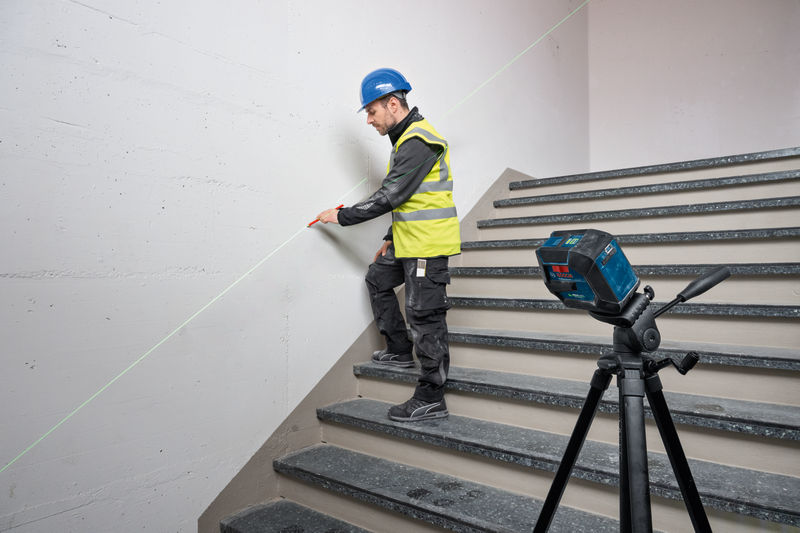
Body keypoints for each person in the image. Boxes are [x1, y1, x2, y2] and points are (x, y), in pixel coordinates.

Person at [314, 68, 460, 422]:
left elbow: (390, 196)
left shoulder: (419, 140)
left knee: (424, 315)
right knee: (378, 279)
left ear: (393, 104)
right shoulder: (405, 139)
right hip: (408, 240)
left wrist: (342, 216)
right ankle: (399, 348)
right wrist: (391, 237)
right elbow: (413, 198)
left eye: (372, 111)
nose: (369, 120)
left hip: (427, 246)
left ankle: (431, 396)